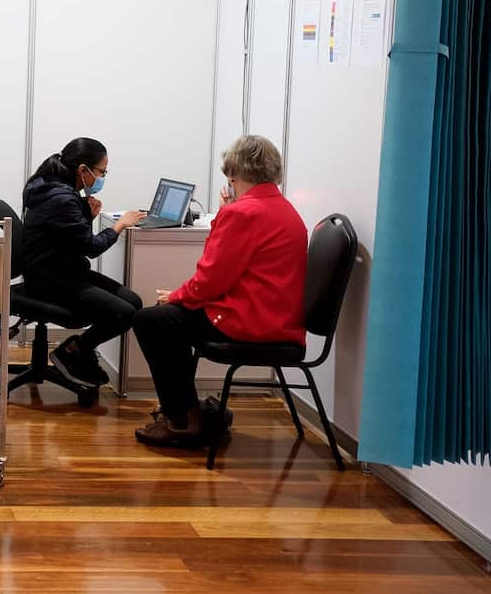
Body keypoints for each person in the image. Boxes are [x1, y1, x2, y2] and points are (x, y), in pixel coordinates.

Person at [132, 134, 308, 448]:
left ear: (233, 174)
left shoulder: (243, 213)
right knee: (169, 318)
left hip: (250, 323)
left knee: (152, 320)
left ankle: (182, 421)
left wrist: (177, 296)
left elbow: (212, 278)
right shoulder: (286, 210)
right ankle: (189, 410)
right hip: (279, 320)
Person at [21, 138, 146, 388]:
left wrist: (87, 215)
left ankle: (77, 350)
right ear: (82, 170)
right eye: (101, 171)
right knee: (123, 313)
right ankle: (75, 351)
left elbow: (72, 240)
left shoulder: (51, 187)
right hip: (49, 278)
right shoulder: (62, 199)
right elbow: (91, 247)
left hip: (62, 268)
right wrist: (120, 224)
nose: (101, 177)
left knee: (133, 302)